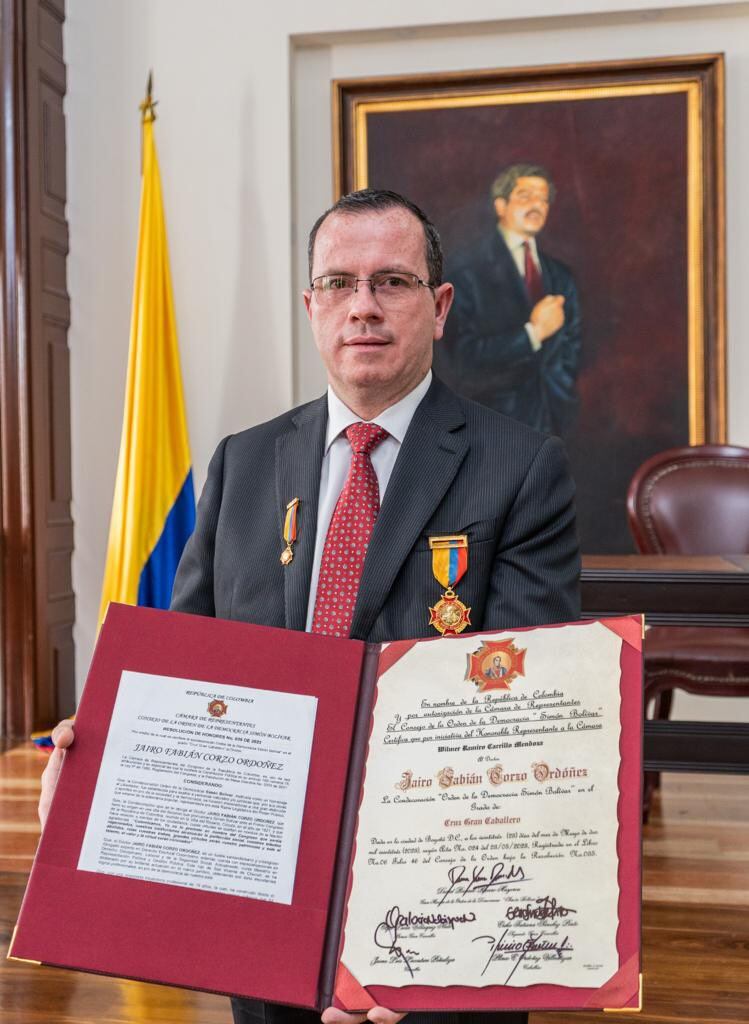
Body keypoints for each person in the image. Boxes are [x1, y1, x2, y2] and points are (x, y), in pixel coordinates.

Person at [40, 188, 581, 1024]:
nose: (362, 306)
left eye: (391, 281)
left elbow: (523, 711)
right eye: (338, 283)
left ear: (439, 307)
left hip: (438, 892)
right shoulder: (243, 462)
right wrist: (96, 773)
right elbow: (184, 672)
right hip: (259, 878)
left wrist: (424, 942)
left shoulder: (521, 467)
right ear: (311, 306)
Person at [432, 162, 582, 436]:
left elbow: (571, 348)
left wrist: (561, 387)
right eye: (525, 196)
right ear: (501, 206)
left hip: (556, 422)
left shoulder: (560, 275)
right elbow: (463, 359)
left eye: (543, 199)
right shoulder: (466, 271)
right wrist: (533, 334)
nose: (536, 205)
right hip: (492, 424)